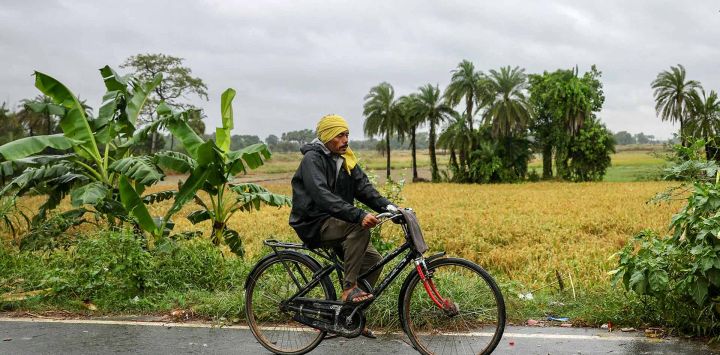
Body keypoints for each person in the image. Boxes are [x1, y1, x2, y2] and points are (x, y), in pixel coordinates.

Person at [289, 114, 394, 309]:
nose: (345, 140)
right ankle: (349, 289)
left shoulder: (346, 160)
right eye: (339, 135)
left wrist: (391, 208)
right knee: (358, 226)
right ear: (327, 137)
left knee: (373, 261)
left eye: (347, 134)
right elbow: (322, 196)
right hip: (315, 223)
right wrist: (359, 215)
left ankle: (348, 315)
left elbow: (365, 189)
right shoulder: (312, 159)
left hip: (337, 220)